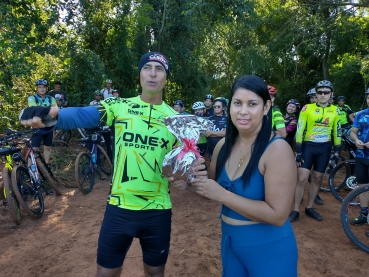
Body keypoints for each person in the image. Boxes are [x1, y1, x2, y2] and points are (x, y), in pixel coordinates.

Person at [20, 52, 177, 277]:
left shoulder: (176, 119)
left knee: (155, 273)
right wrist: (51, 114)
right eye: (147, 67)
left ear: (166, 76)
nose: (152, 73)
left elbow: (184, 163)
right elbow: (84, 114)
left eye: (159, 69)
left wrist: (185, 176)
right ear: (140, 74)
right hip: (119, 208)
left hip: (158, 210)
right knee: (105, 273)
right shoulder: (120, 106)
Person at [170, 75, 298, 276]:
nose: (243, 111)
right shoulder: (223, 146)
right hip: (231, 244)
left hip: (269, 250)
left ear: (266, 107)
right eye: (238, 103)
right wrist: (188, 183)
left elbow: (278, 215)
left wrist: (222, 195)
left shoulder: (277, 150)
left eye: (252, 104)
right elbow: (209, 190)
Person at [289, 80, 341, 222]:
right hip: (308, 146)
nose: (323, 95)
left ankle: (309, 207)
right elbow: (300, 129)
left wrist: (336, 152)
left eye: (326, 92)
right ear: (316, 94)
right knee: (302, 178)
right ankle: (295, 210)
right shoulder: (307, 108)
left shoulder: (336, 110)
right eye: (320, 92)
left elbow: (337, 131)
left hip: (324, 148)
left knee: (317, 178)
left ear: (331, 94)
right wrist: (298, 150)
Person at [349, 89, 369, 224]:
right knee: (362, 185)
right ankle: (364, 213)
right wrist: (356, 140)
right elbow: (353, 132)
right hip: (361, 155)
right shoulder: (361, 114)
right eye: (368, 97)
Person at [28, 79, 57, 164]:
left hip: (49, 127)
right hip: (37, 127)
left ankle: (46, 166)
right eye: (39, 87)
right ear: (37, 88)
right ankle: (30, 168)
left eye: (44, 87)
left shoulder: (51, 99)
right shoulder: (32, 98)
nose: (42, 89)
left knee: (48, 147)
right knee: (34, 148)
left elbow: (54, 112)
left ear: (47, 88)